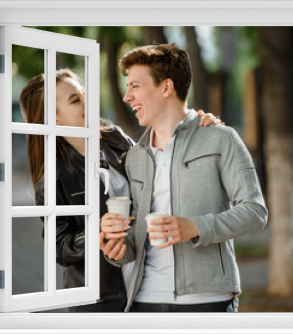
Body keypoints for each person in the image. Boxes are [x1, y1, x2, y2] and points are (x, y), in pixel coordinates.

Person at [19, 68, 221, 312]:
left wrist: (199, 131)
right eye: (75, 100)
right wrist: (96, 234)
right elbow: (59, 247)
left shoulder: (114, 138)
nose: (87, 101)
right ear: (54, 119)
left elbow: (159, 163)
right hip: (99, 298)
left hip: (145, 283)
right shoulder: (55, 178)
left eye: (83, 93)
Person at [101, 43, 268, 313]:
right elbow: (137, 235)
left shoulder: (220, 139)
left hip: (207, 301)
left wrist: (195, 227)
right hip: (144, 302)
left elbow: (255, 211)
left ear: (166, 88)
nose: (126, 97)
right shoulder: (135, 158)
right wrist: (117, 246)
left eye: (135, 86)